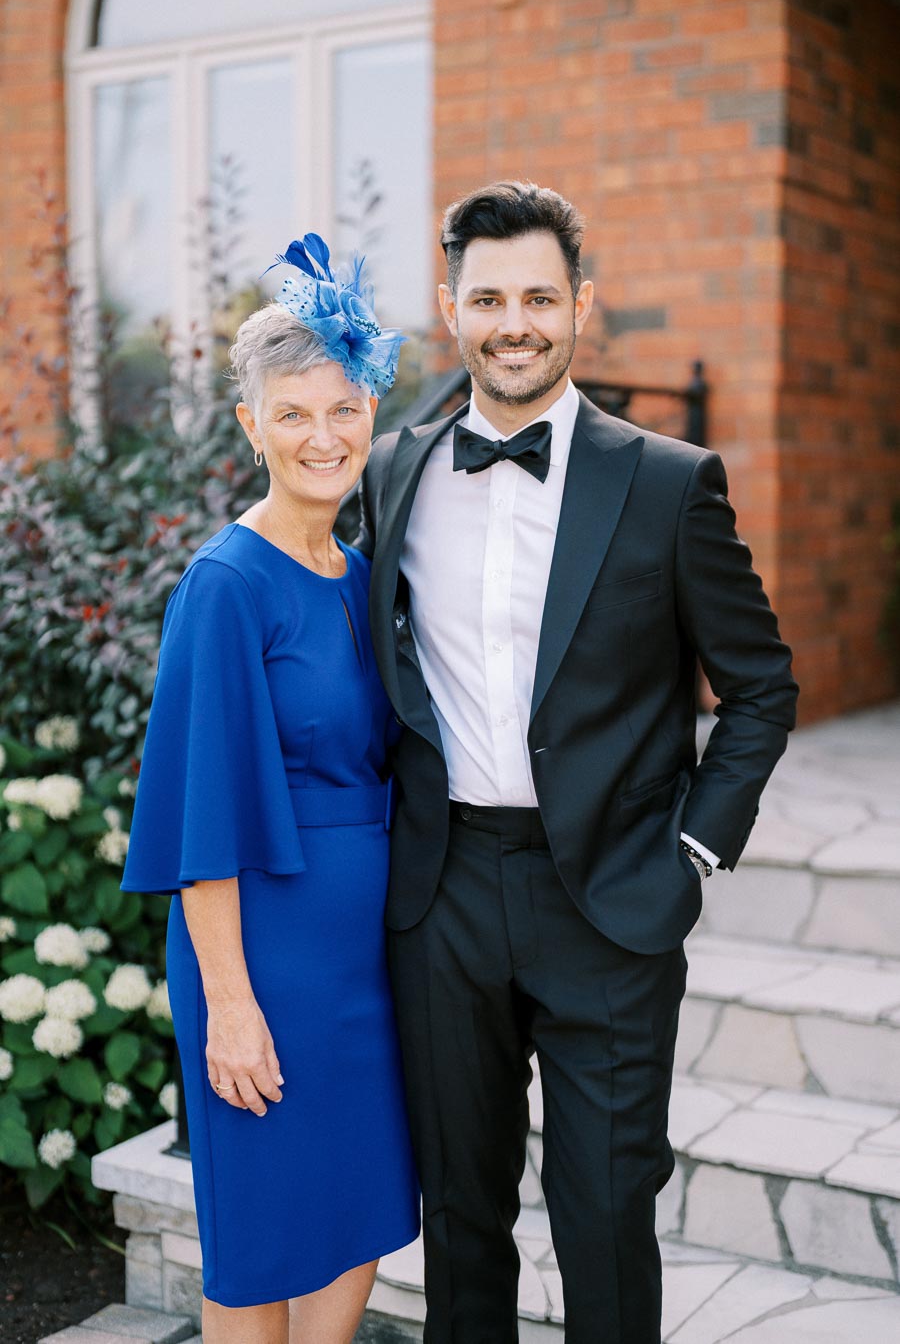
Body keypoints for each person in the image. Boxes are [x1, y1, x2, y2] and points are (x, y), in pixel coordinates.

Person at [357, 181, 798, 1343]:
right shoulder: (392, 471)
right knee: (459, 1215)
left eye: (540, 298)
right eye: (489, 297)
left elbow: (761, 688)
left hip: (610, 897)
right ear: (450, 308)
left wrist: (694, 850)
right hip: (443, 894)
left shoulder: (667, 483)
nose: (516, 322)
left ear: (581, 307)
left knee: (604, 1216)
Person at [121, 235, 419, 1344]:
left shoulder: (361, 575)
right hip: (263, 959)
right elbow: (204, 820)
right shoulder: (226, 586)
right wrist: (231, 1005)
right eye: (292, 413)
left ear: (370, 419)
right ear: (252, 426)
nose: (322, 436)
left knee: (364, 1207)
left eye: (343, 410)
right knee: (256, 1241)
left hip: (369, 960)